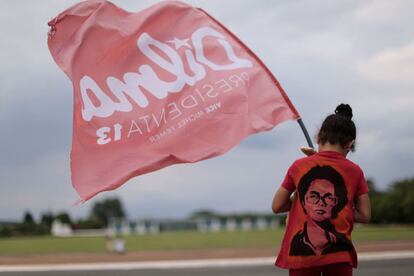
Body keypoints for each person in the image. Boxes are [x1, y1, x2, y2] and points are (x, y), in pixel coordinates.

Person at [272, 104, 371, 276]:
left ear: (318, 138)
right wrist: (340, 208)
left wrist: (300, 202)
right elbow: (364, 215)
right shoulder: (355, 171)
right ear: (350, 144)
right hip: (339, 254)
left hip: (301, 256)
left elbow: (277, 206)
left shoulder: (298, 166)